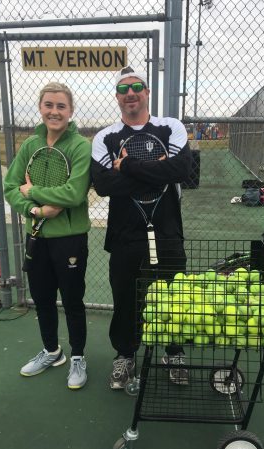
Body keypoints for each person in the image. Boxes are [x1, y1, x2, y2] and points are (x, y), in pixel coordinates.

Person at [91, 66, 192, 390]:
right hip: (124, 235)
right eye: (124, 89)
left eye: (137, 86)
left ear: (147, 92)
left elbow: (181, 169)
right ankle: (125, 355)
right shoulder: (104, 137)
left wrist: (130, 166)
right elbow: (105, 185)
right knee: (126, 298)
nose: (131, 92)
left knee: (174, 297)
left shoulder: (170, 127)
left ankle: (174, 353)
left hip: (167, 231)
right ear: (118, 97)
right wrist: (156, 170)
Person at [4, 82, 91, 390]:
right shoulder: (30, 145)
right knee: (42, 298)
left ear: (70, 111)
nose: (54, 112)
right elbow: (11, 187)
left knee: (72, 300)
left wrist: (35, 191)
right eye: (49, 105)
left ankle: (78, 357)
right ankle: (52, 352)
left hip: (70, 239)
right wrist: (37, 210)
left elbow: (75, 193)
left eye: (61, 106)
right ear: (41, 108)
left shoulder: (80, 146)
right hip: (37, 237)